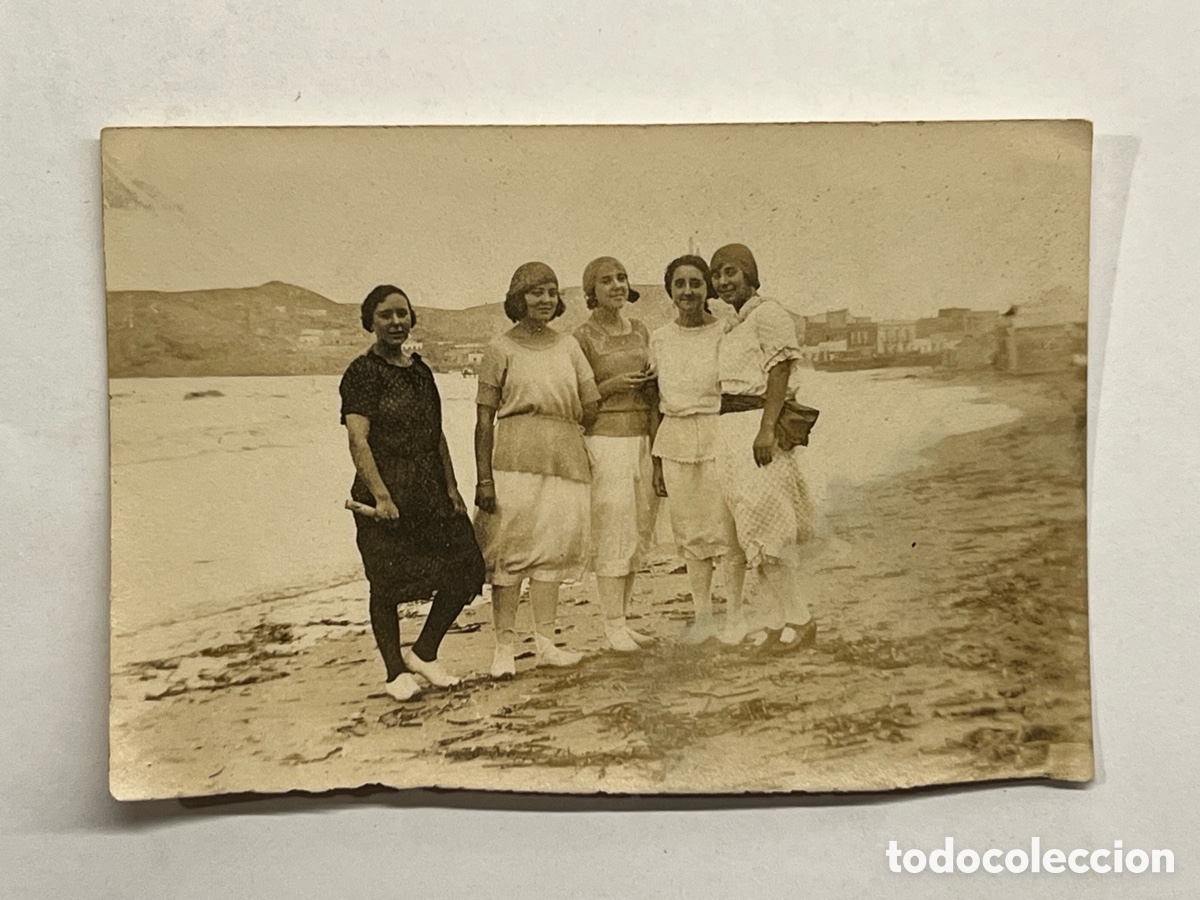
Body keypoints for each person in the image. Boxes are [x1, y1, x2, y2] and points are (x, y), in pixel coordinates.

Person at [340, 285, 486, 702]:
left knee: (467, 568)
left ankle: (423, 653)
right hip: (383, 491)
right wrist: (382, 496)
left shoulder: (419, 370)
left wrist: (453, 487)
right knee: (386, 583)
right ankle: (393, 673)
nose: (396, 322)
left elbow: (435, 432)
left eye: (402, 314)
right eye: (385, 315)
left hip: (430, 488)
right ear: (370, 321)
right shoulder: (362, 373)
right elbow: (358, 440)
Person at [473, 262, 600, 677]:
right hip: (513, 461)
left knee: (552, 552)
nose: (544, 300)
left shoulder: (568, 346)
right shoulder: (500, 349)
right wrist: (484, 479)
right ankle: (504, 648)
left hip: (565, 459)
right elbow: (483, 420)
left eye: (550, 292)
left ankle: (546, 642)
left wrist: (564, 427)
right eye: (535, 292)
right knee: (510, 554)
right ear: (517, 298)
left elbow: (591, 404)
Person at [710, 243, 818, 651]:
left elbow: (779, 370)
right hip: (732, 431)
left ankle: (801, 618)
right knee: (751, 531)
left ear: (750, 274)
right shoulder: (735, 323)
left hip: (756, 426)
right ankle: (782, 619)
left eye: (732, 271)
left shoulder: (769, 314)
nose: (724, 281)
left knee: (768, 528)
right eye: (717, 274)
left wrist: (766, 429)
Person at [649, 255, 749, 644]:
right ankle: (704, 616)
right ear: (670, 291)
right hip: (674, 439)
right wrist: (656, 461)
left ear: (707, 288)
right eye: (679, 284)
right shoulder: (659, 338)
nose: (688, 291)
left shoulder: (726, 330)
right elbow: (652, 402)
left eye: (695, 283)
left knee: (728, 530)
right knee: (690, 534)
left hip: (718, 433)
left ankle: (736, 616)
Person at [572, 256, 659, 653]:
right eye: (606, 280)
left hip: (643, 435)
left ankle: (623, 619)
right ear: (591, 290)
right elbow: (577, 399)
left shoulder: (640, 328)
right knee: (613, 529)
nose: (617, 286)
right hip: (606, 440)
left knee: (639, 528)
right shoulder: (582, 337)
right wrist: (612, 384)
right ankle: (611, 625)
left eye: (622, 278)